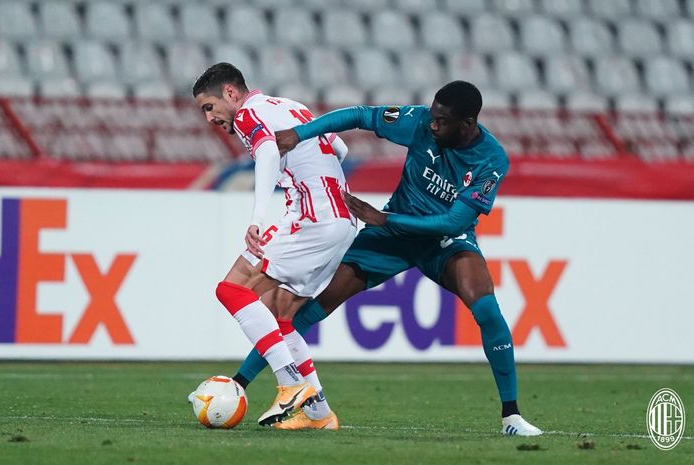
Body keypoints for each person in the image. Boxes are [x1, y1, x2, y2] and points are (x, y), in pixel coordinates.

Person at [232, 80, 543, 436]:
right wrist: (300, 134)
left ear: (468, 123)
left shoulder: (491, 159)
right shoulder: (420, 121)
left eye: (443, 120)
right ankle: (243, 383)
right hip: (392, 238)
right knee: (307, 310)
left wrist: (383, 219)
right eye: (433, 116)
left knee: (487, 310)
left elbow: (456, 220)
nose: (433, 125)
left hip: (443, 239)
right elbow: (360, 115)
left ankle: (512, 417)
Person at [191, 62, 356, 430]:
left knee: (232, 290)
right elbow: (340, 148)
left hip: (314, 218)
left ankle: (290, 384)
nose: (209, 119)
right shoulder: (289, 106)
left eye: (209, 107)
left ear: (230, 94)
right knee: (280, 312)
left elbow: (266, 152)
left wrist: (257, 216)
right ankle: (319, 415)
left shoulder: (248, 113)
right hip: (340, 220)